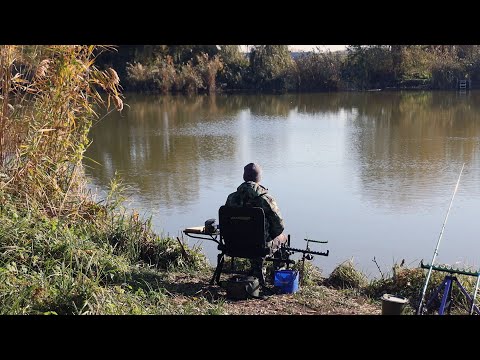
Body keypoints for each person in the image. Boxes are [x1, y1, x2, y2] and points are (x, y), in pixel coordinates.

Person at [225, 162, 288, 280]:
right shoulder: (266, 199)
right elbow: (279, 226)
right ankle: (278, 275)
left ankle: (256, 269)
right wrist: (269, 237)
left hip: (233, 245)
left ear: (244, 177)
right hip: (259, 246)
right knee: (283, 237)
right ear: (259, 178)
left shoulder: (231, 198)